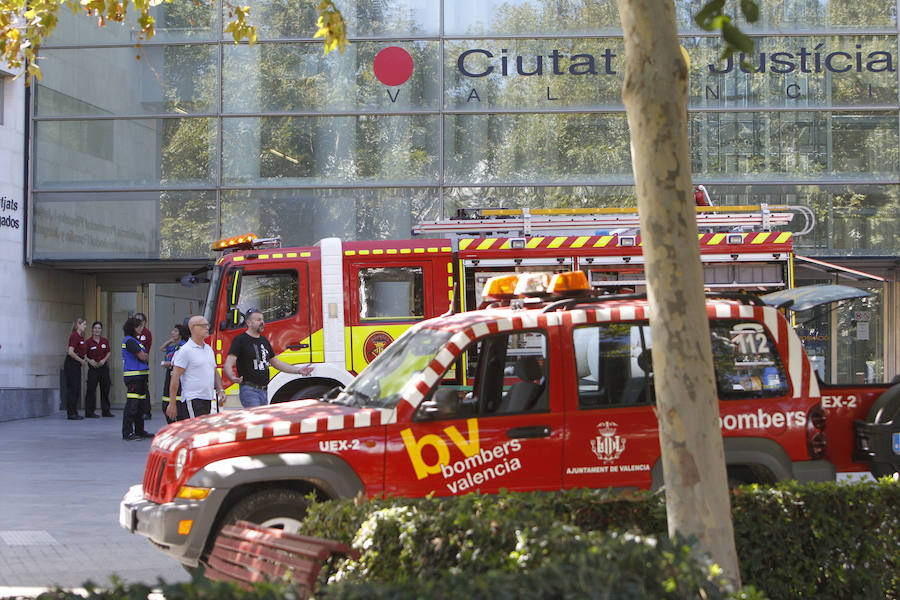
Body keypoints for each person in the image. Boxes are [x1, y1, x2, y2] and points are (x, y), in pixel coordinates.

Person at [224, 309, 309, 408]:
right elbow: (228, 363)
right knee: (256, 419)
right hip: (249, 390)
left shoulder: (264, 341)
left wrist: (299, 370)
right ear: (248, 323)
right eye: (258, 320)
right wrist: (231, 376)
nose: (262, 322)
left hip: (264, 390)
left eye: (262, 319)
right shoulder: (240, 340)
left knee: (262, 420)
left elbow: (277, 363)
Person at [166, 315, 225, 421]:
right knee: (198, 430)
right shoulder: (185, 351)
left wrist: (220, 389)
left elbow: (214, 371)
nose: (207, 328)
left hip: (208, 397)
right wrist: (172, 403)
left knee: (205, 431)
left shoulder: (208, 349)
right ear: (193, 328)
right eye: (204, 325)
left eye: (208, 325)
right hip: (193, 398)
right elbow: (175, 377)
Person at [122, 317, 153, 440]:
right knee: (132, 405)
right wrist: (144, 356)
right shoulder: (130, 341)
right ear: (133, 328)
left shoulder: (135, 340)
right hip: (133, 377)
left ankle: (139, 430)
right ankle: (128, 432)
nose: (141, 328)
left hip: (140, 376)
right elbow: (142, 356)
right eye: (139, 326)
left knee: (141, 405)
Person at [160, 323, 189, 424]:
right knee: (165, 401)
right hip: (170, 374)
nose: (172, 333)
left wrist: (170, 363)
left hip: (178, 376)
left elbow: (180, 361)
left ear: (181, 334)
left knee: (178, 404)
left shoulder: (184, 346)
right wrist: (171, 340)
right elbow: (162, 348)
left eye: (175, 331)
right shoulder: (174, 346)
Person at [84, 321, 113, 418]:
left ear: (101, 330)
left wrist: (104, 360)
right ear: (92, 330)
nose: (97, 330)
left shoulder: (104, 341)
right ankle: (89, 412)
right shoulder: (88, 342)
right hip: (93, 369)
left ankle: (106, 411)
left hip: (103, 368)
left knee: (105, 389)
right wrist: (90, 360)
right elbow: (83, 354)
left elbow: (109, 352)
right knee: (91, 390)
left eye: (99, 328)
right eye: (95, 328)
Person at [64, 318, 87, 420]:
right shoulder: (74, 336)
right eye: (84, 324)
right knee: (73, 388)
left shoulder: (81, 337)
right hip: (72, 363)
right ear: (78, 324)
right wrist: (80, 360)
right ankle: (71, 412)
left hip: (77, 364)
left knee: (77, 388)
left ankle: (74, 411)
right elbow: (70, 351)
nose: (85, 327)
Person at [135, 312, 153, 420]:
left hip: (142, 362)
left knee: (144, 388)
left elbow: (147, 348)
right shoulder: (132, 334)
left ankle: (147, 411)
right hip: (134, 364)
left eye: (139, 320)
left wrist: (143, 356)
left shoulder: (147, 333)